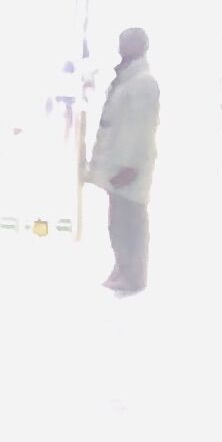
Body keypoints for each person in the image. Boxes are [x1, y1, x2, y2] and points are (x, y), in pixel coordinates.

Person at [88, 26, 160, 295]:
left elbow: (141, 130)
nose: (121, 46)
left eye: (126, 42)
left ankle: (134, 274)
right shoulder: (126, 79)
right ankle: (122, 267)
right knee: (117, 222)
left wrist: (130, 167)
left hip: (130, 167)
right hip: (117, 163)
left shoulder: (143, 83)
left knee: (131, 222)